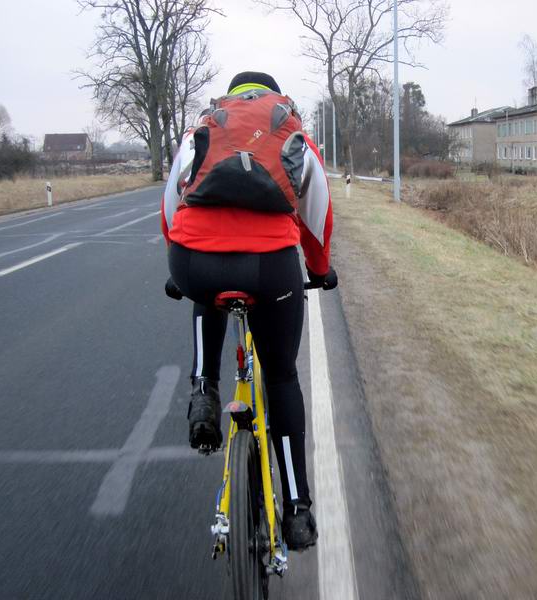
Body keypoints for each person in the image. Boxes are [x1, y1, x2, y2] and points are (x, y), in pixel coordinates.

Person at [160, 71, 336, 551]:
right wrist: (319, 270)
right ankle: (298, 508)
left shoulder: (207, 122)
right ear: (273, 94)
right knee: (280, 376)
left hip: (194, 257)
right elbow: (316, 211)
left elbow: (173, 200)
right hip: (271, 269)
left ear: (232, 97)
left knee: (205, 287)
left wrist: (180, 265)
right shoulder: (289, 126)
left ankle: (204, 389)